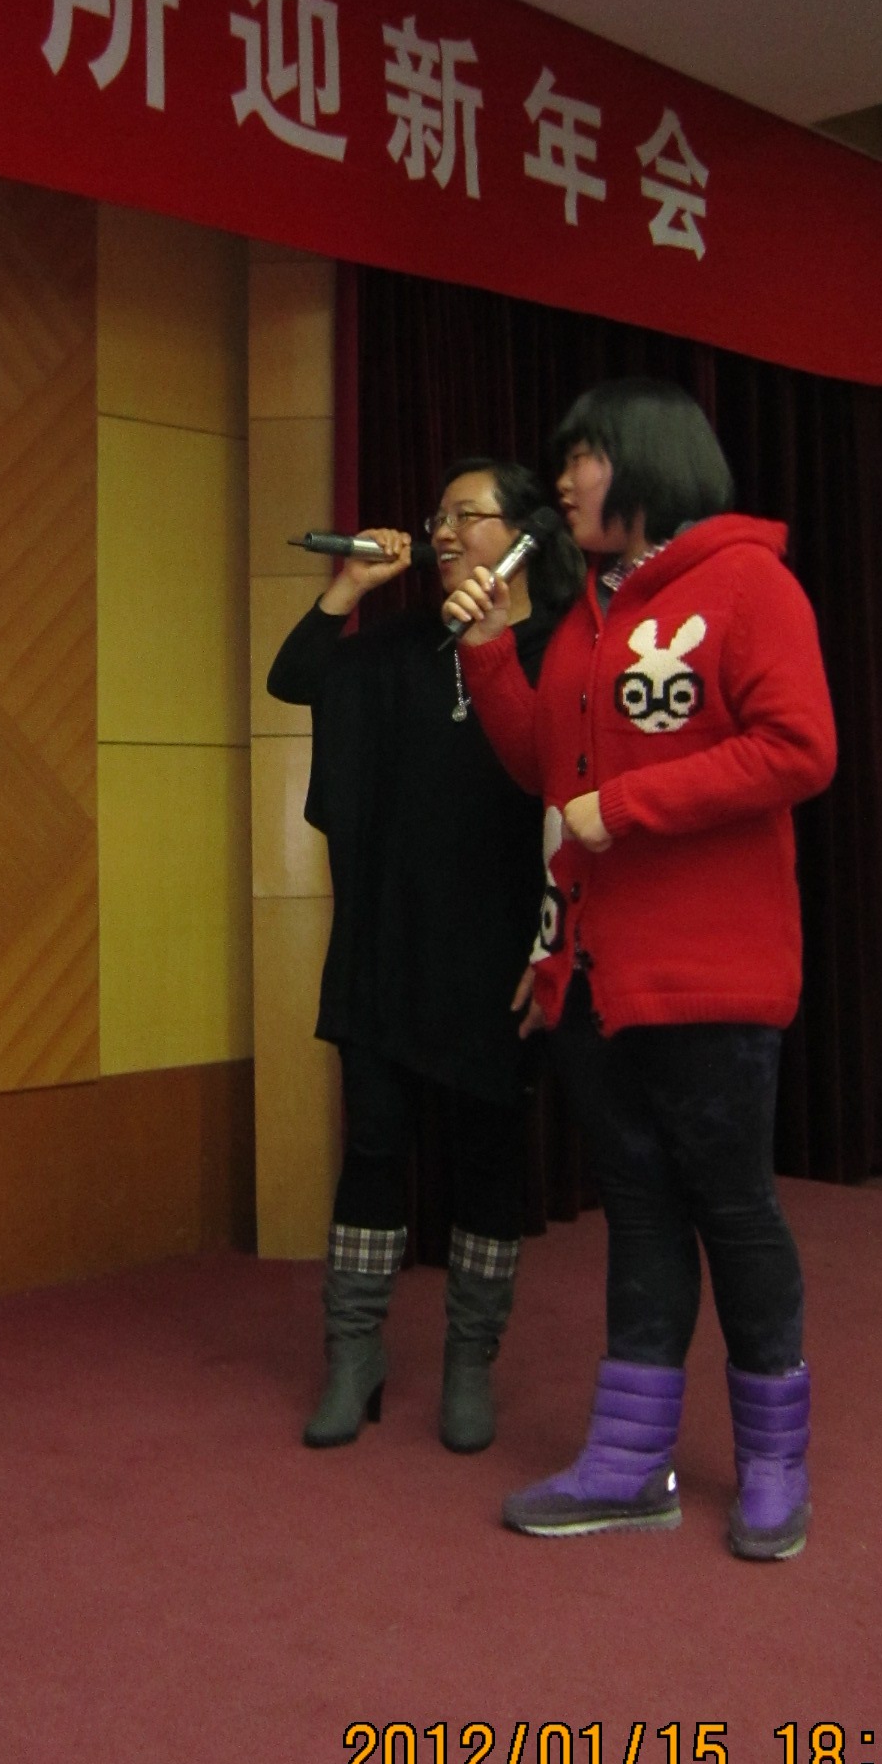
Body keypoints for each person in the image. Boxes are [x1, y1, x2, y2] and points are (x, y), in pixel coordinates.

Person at [442, 377, 836, 1559]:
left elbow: (799, 748)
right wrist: (488, 652)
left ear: (651, 462)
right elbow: (544, 771)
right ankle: (629, 1461)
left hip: (710, 971)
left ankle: (774, 1463)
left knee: (734, 1209)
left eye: (585, 458)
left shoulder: (749, 584)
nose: (563, 481)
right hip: (597, 975)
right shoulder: (590, 610)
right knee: (643, 1211)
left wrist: (629, 806)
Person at [267, 459, 578, 1454]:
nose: (442, 530)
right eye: (437, 515)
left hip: (498, 948)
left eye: (467, 515)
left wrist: (558, 946)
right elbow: (293, 678)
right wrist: (350, 588)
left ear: (523, 535)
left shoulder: (563, 647)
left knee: (489, 1158)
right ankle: (353, 1354)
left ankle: (469, 1361)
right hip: (387, 941)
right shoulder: (399, 644)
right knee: (373, 1146)